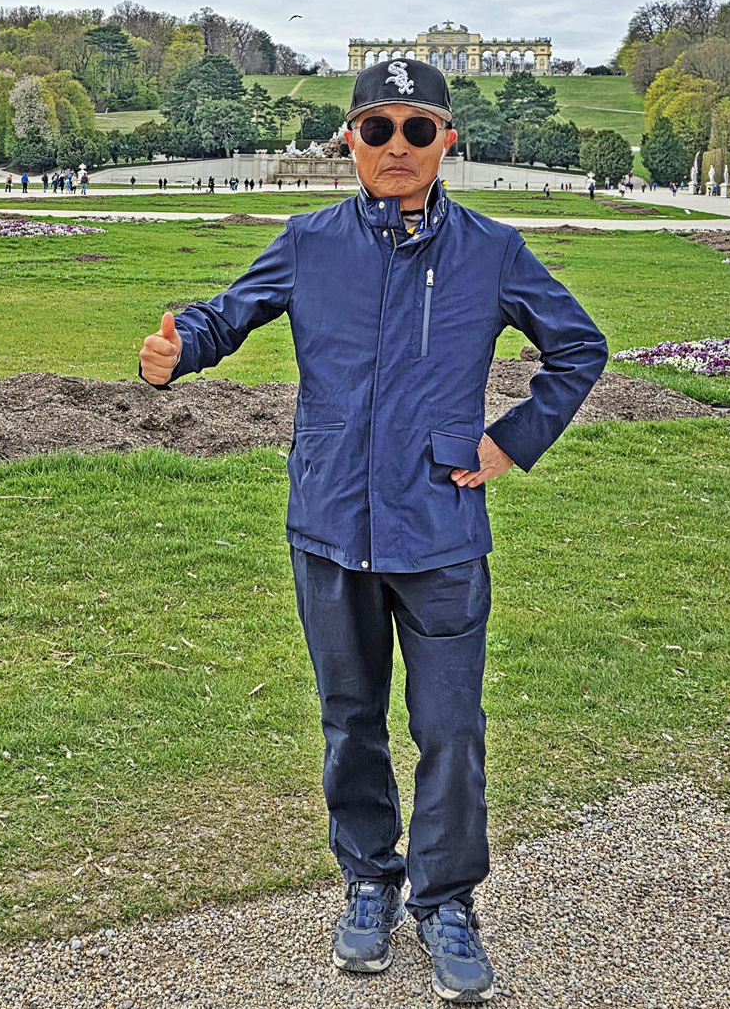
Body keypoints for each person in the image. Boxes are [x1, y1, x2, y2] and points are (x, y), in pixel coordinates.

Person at [138, 58, 606, 1001]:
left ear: (446, 142)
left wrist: (511, 440)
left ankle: (445, 901)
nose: (397, 146)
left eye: (417, 128)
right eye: (378, 128)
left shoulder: (491, 250)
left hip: (438, 531)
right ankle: (367, 879)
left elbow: (577, 347)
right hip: (329, 524)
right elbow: (228, 315)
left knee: (450, 729)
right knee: (349, 721)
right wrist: (177, 349)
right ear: (348, 140)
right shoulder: (308, 242)